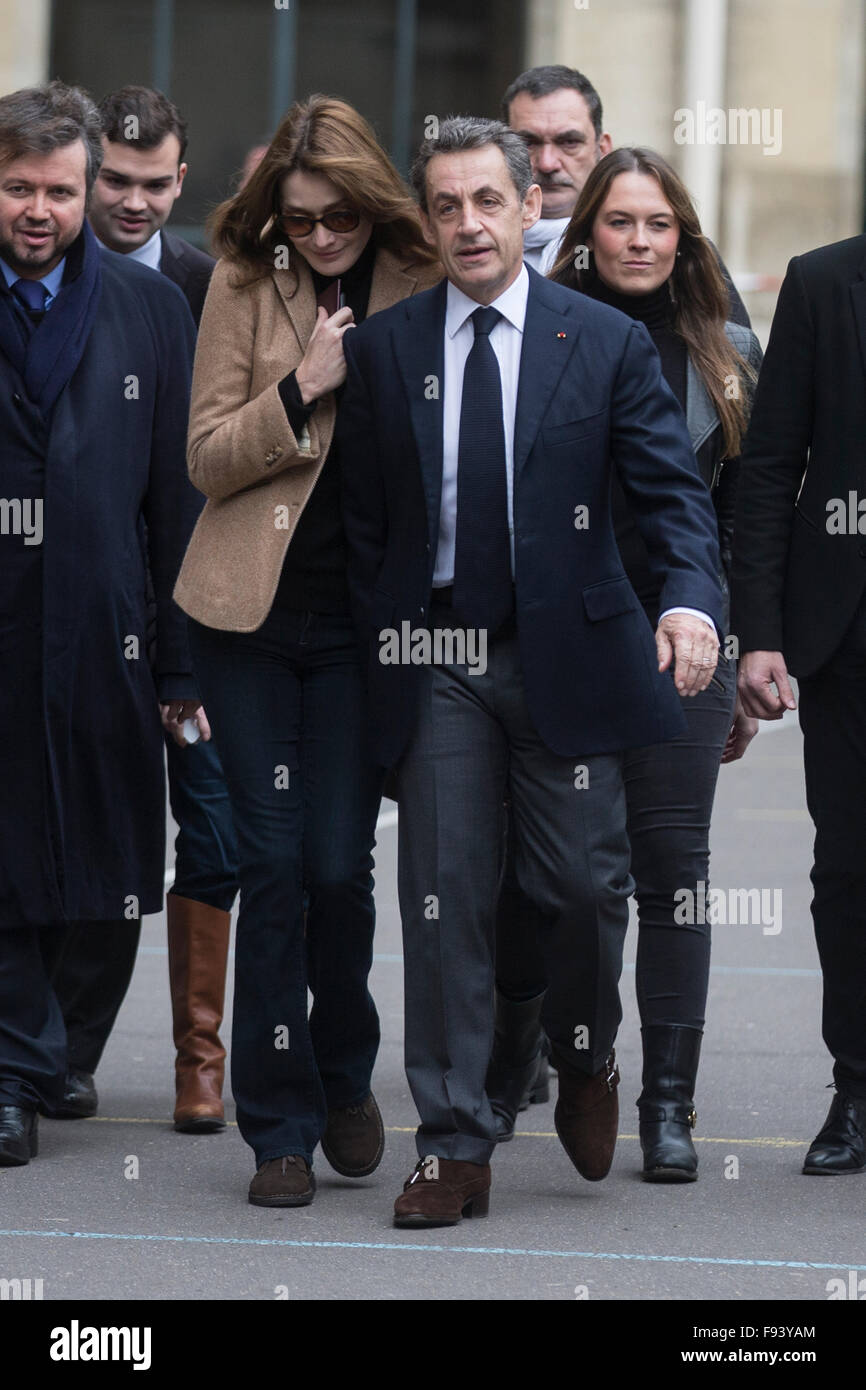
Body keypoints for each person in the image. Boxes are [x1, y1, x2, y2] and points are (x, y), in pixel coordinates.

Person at [338, 116, 726, 1227]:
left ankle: (585, 1050)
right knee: (446, 895)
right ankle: (453, 1143)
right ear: (427, 218)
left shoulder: (597, 341)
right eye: (446, 206)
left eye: (486, 202)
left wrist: (692, 600)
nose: (467, 224)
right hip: (443, 655)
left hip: (574, 649)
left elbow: (669, 495)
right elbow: (367, 531)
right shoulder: (387, 348)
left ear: (524, 207)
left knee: (580, 886)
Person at [172, 94, 441, 1207]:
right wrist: (300, 388)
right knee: (270, 864)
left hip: (362, 626)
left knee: (339, 865)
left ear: (373, 204)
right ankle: (276, 1124)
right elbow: (204, 456)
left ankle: (345, 1071)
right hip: (245, 617)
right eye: (300, 218)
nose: (321, 238)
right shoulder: (241, 280)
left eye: (339, 217)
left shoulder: (422, 279)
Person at [486, 148, 762, 1179]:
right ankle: (555, 1054)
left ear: (680, 239)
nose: (638, 241)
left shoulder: (728, 352)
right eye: (618, 223)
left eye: (657, 225)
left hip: (686, 643)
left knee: (671, 878)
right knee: (556, 878)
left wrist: (735, 650)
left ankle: (667, 1105)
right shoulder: (534, 337)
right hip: (566, 639)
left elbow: (740, 517)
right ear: (583, 234)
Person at [0, 81, 200, 1167]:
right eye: (19, 187)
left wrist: (180, 658)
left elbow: (175, 501)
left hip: (108, 623)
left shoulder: (150, 308)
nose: (40, 209)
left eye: (59, 191)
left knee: (112, 851)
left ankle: (58, 1049)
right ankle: (15, 1069)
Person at [83, 84, 239, 1135]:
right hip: (83, 611)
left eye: (153, 183)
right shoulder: (40, 277)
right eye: (115, 180)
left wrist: (188, 655)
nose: (133, 201)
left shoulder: (210, 287)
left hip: (201, 620)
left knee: (216, 834)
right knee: (89, 826)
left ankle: (201, 1058)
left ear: (182, 181)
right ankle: (56, 1048)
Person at [731, 231, 866, 1176]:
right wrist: (762, 629)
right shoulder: (825, 283)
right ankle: (856, 1086)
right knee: (851, 868)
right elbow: (774, 464)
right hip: (846, 632)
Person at [502, 64, 749, 328]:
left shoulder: (679, 255)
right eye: (528, 143)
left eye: (569, 142)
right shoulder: (475, 250)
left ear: (603, 148)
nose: (548, 163)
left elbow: (727, 352)